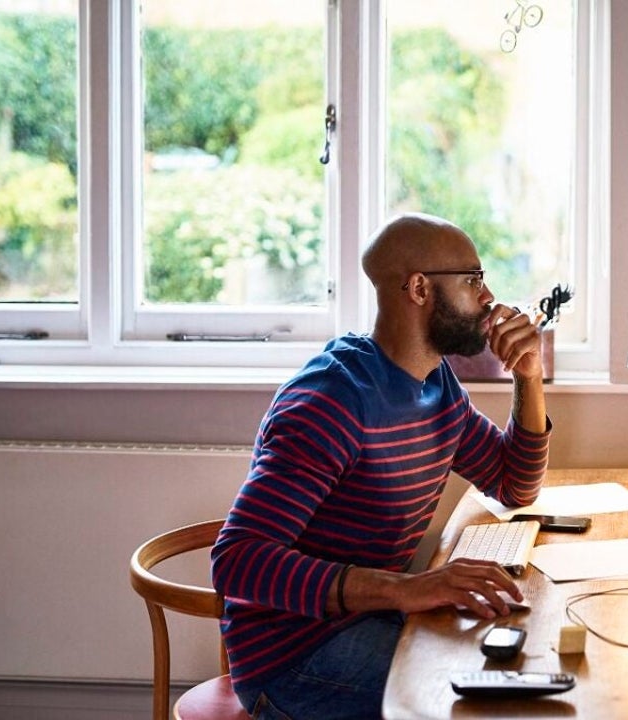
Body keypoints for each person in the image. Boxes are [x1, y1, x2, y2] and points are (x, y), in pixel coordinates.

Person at [211, 213, 551, 719]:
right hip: (293, 658)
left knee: (523, 669)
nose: (488, 297)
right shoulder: (332, 402)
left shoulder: (437, 386)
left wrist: (529, 375)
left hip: (371, 621)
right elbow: (236, 561)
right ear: (419, 288)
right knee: (490, 706)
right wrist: (407, 588)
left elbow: (513, 484)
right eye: (473, 279)